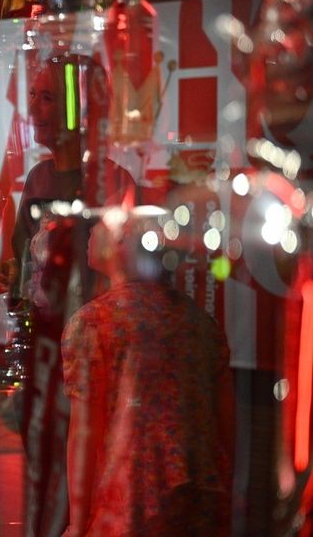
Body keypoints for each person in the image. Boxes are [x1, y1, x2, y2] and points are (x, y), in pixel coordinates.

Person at [0, 56, 135, 537]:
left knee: (85, 475)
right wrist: (9, 273)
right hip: (41, 355)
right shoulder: (36, 179)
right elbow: (22, 262)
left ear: (80, 110)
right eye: (33, 95)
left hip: (88, 364)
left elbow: (122, 282)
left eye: (47, 97)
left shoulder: (114, 183)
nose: (35, 108)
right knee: (45, 467)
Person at [62, 210, 234, 536]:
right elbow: (224, 425)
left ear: (123, 242)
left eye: (100, 223)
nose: (89, 231)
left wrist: (78, 521)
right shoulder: (201, 323)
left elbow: (84, 432)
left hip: (131, 506)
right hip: (202, 500)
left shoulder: (92, 323)